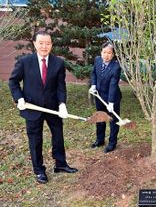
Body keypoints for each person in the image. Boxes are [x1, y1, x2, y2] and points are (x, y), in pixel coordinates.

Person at [8, 31, 78, 184]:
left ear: (52, 45)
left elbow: (61, 86)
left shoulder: (58, 63)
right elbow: (13, 82)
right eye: (41, 43)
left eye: (48, 43)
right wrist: (19, 98)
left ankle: (60, 164)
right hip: (32, 108)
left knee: (58, 136)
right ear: (35, 44)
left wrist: (62, 104)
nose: (44, 46)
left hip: (53, 108)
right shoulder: (25, 62)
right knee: (35, 140)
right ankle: (39, 170)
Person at [89, 42, 122, 153]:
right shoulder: (97, 60)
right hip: (99, 96)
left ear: (113, 55)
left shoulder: (116, 67)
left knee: (113, 121)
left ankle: (112, 143)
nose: (106, 55)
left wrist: (111, 103)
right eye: (104, 52)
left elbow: (113, 85)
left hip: (112, 97)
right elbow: (94, 73)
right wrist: (93, 85)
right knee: (100, 118)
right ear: (101, 52)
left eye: (109, 53)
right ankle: (100, 140)